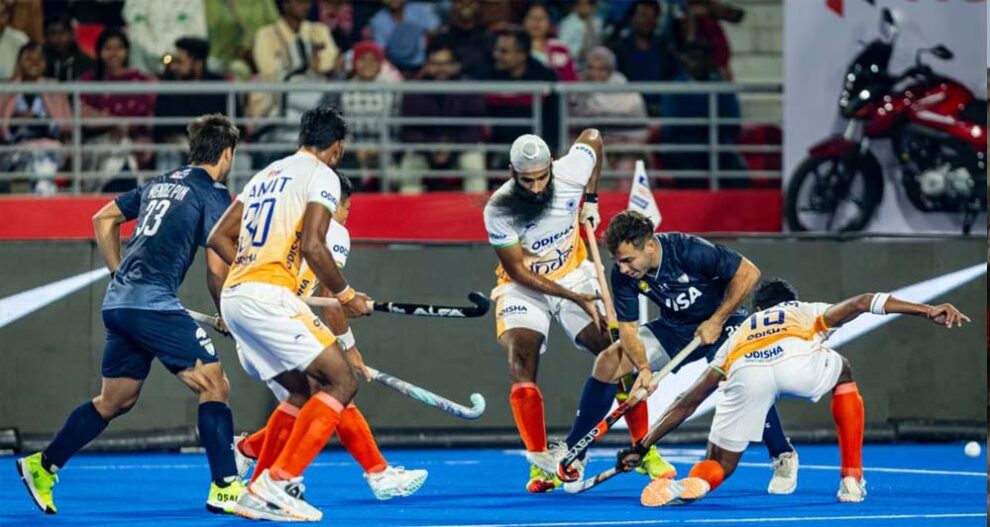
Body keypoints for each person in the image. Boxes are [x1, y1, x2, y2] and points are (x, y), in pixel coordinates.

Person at [15, 114, 244, 515]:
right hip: (153, 305)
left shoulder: (159, 183)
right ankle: (226, 486)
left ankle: (43, 466)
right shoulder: (213, 192)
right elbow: (216, 268)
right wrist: (227, 311)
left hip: (119, 304)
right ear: (226, 154)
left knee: (115, 399)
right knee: (214, 383)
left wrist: (118, 274)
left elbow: (103, 218)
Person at [616, 278, 971, 506]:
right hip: (796, 364)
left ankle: (694, 483)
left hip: (746, 373)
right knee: (843, 371)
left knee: (720, 462)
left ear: (758, 310)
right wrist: (927, 311)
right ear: (789, 301)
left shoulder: (738, 334)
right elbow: (863, 301)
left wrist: (642, 445)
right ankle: (851, 479)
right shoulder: (803, 310)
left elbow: (688, 401)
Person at [207, 105, 373, 522]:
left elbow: (218, 237)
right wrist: (346, 295)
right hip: (268, 297)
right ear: (337, 148)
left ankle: (256, 489)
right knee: (340, 381)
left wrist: (251, 268)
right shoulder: (323, 175)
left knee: (302, 390)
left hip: (236, 295)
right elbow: (315, 246)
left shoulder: (266, 173)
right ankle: (278, 482)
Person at [554, 210, 798, 494]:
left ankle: (782, 453)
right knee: (609, 361)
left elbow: (748, 272)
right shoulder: (623, 275)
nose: (622, 268)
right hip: (674, 329)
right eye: (617, 261)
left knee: (741, 377)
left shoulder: (688, 250)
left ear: (649, 245)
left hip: (723, 321)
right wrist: (644, 368)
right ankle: (575, 453)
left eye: (628, 260)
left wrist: (717, 320)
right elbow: (629, 330)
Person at [231, 173, 429, 501]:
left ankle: (249, 458)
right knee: (338, 391)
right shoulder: (333, 230)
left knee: (308, 406)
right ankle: (377, 473)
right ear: (333, 201)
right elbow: (331, 297)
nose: (347, 214)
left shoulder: (278, 219)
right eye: (346, 206)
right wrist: (349, 346)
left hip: (252, 326)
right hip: (282, 322)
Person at [483, 130, 657, 493]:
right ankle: (541, 465)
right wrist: (573, 297)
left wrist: (591, 197)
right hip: (523, 287)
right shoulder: (498, 209)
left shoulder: (570, 171)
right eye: (526, 180)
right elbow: (518, 271)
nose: (535, 187)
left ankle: (644, 449)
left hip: (574, 273)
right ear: (512, 173)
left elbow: (593, 138)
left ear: (551, 166)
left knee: (618, 351)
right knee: (520, 362)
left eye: (541, 177)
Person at [399, 38, 487, 193]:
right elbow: (408, 131)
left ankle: (476, 209)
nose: (441, 69)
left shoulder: (469, 89)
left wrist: (451, 146)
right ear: (426, 66)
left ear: (456, 66)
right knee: (409, 166)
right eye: (435, 64)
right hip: (424, 149)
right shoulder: (413, 90)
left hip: (461, 147)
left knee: (473, 163)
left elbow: (474, 130)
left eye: (446, 64)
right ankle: (408, 208)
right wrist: (431, 146)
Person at [0, 41, 71, 194]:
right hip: (15, 147)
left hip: (49, 145)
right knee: (38, 164)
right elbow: (3, 129)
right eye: (29, 59)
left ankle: (38, 195)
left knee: (44, 160)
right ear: (19, 62)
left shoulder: (54, 87)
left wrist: (36, 119)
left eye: (39, 60)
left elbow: (65, 124)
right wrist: (18, 118)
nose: (34, 64)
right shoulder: (6, 88)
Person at [481, 27, 559, 154]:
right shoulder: (486, 75)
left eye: (504, 51)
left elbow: (554, 122)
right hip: (495, 148)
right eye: (496, 50)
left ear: (522, 55)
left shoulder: (545, 78)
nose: (496, 55)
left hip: (534, 150)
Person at [154, 37, 227, 170]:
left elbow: (234, 125)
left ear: (198, 63)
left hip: (214, 147)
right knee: (168, 155)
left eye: (180, 62)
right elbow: (161, 128)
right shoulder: (168, 83)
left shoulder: (219, 85)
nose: (174, 67)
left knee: (240, 159)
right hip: (178, 147)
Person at [612, 0, 680, 115]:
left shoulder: (665, 48)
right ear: (632, 19)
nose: (647, 21)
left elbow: (674, 78)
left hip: (661, 110)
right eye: (643, 16)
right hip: (629, 110)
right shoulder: (619, 49)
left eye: (652, 17)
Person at [521, 2, 577, 82]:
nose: (537, 22)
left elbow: (571, 78)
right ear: (523, 21)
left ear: (549, 22)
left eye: (542, 18)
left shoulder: (560, 47)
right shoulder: (516, 49)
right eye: (532, 17)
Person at [43, 16, 94, 82]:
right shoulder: (42, 62)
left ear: (72, 34)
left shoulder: (87, 64)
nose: (58, 38)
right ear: (46, 37)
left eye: (62, 33)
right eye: (53, 33)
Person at [558, 0, 602, 69]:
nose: (584, 7)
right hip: (573, 65)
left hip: (593, 65)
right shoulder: (567, 24)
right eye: (581, 4)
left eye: (587, 4)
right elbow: (562, 50)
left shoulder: (597, 23)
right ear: (576, 6)